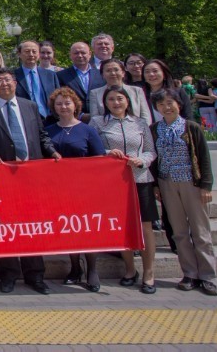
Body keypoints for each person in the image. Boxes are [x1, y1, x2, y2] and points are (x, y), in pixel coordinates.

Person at [0, 68, 61, 295]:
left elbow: (41, 135)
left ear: (15, 82)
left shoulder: (29, 106)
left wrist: (51, 151)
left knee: (31, 225)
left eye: (8, 80)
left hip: (31, 175)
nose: (4, 84)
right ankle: (8, 274)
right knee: (5, 226)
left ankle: (35, 274)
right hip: (2, 175)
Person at [90, 85, 158, 294]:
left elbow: (150, 150)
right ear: (105, 103)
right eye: (111, 99)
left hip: (140, 178)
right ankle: (130, 270)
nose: (116, 103)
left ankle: (149, 273)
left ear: (127, 101)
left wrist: (142, 160)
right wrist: (110, 152)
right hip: (115, 182)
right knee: (122, 226)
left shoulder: (140, 123)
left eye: (120, 99)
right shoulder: (98, 122)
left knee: (145, 226)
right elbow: (95, 148)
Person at [151, 89, 217, 296]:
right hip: (167, 183)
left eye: (170, 103)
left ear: (179, 104)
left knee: (201, 232)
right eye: (161, 104)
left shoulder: (191, 127)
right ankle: (189, 273)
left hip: (192, 183)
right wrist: (155, 185)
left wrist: (206, 185)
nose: (166, 107)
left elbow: (204, 157)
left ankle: (207, 276)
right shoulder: (155, 129)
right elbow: (154, 159)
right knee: (179, 232)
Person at [45, 87, 106, 292]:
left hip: (84, 188)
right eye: (59, 103)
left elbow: (99, 158)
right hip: (59, 188)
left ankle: (92, 270)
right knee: (68, 228)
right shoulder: (49, 130)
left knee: (86, 229)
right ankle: (74, 267)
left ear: (75, 105)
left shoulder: (87, 130)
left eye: (67, 103)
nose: (63, 106)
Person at [89, 59, 152, 126]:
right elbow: (94, 119)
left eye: (116, 70)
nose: (113, 73)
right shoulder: (95, 93)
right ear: (102, 75)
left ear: (123, 73)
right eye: (108, 71)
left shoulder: (137, 90)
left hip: (137, 131)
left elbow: (146, 116)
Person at [14, 40, 61, 123]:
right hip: (25, 121)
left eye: (34, 51)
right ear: (19, 54)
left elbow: (58, 97)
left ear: (38, 54)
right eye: (27, 51)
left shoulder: (51, 75)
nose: (31, 54)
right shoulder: (13, 76)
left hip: (50, 120)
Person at [56, 42, 105, 114]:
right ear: (70, 55)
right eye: (76, 53)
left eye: (83, 52)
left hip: (100, 117)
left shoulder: (101, 74)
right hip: (74, 118)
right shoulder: (60, 76)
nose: (80, 55)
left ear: (90, 54)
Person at [142, 59, 192, 124]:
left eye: (155, 71)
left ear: (164, 74)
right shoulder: (141, 96)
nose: (151, 74)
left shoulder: (178, 92)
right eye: (147, 72)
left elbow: (188, 116)